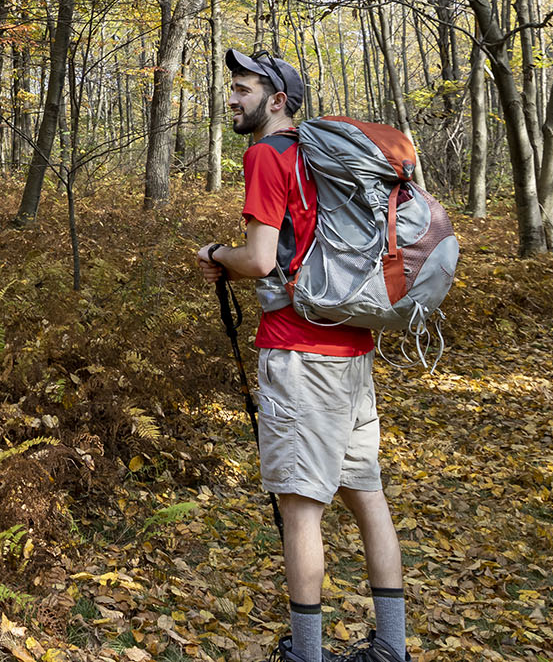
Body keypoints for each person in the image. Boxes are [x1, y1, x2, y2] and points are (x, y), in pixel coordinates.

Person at [193, 48, 410, 662]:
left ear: (278, 100)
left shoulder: (269, 154)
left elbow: (261, 258)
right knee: (367, 496)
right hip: (353, 346)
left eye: (243, 89)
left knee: (300, 507)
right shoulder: (324, 157)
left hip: (299, 354)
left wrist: (216, 256)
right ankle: (391, 648)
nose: (232, 99)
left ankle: (307, 654)